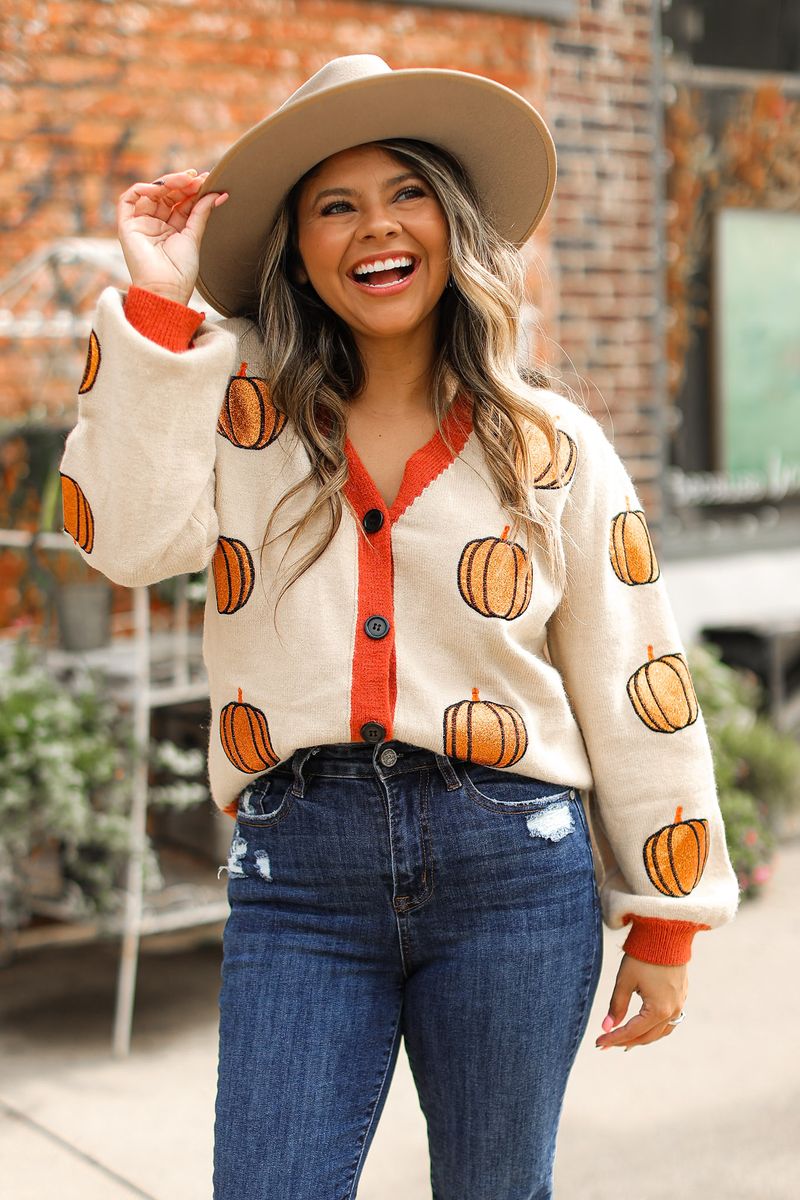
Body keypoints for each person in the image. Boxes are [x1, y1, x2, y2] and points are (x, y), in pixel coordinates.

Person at [60, 54, 740, 1200]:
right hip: (298, 877)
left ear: (452, 222)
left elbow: (633, 675)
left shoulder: (551, 445)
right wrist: (160, 307)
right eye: (335, 204)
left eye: (404, 193)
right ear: (299, 246)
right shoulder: (238, 423)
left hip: (512, 874)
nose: (374, 228)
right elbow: (120, 537)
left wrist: (664, 922)